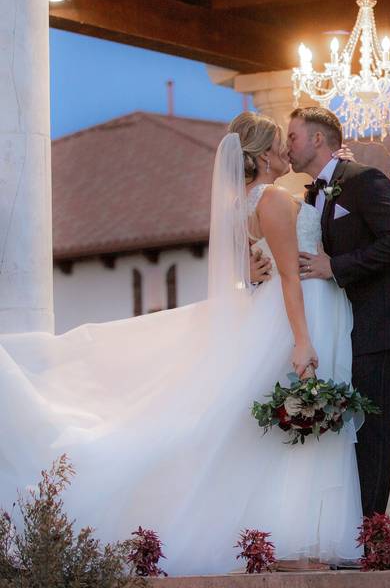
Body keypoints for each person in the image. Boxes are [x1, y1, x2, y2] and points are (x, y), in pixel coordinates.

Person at [0, 112, 362, 575]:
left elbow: (258, 270)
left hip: (289, 312)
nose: (286, 150)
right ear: (262, 155)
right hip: (299, 316)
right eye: (279, 143)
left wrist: (257, 274)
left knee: (280, 434)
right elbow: (290, 276)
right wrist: (303, 341)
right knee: (290, 429)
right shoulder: (271, 199)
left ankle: (288, 539)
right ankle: (291, 540)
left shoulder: (249, 203)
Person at [289, 107, 390, 517]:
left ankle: (372, 537)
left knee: (373, 434)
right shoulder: (313, 193)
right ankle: (352, 529)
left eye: (292, 136)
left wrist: (337, 267)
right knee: (349, 435)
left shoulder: (364, 180)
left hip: (380, 326)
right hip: (342, 330)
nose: (285, 145)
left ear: (317, 139)